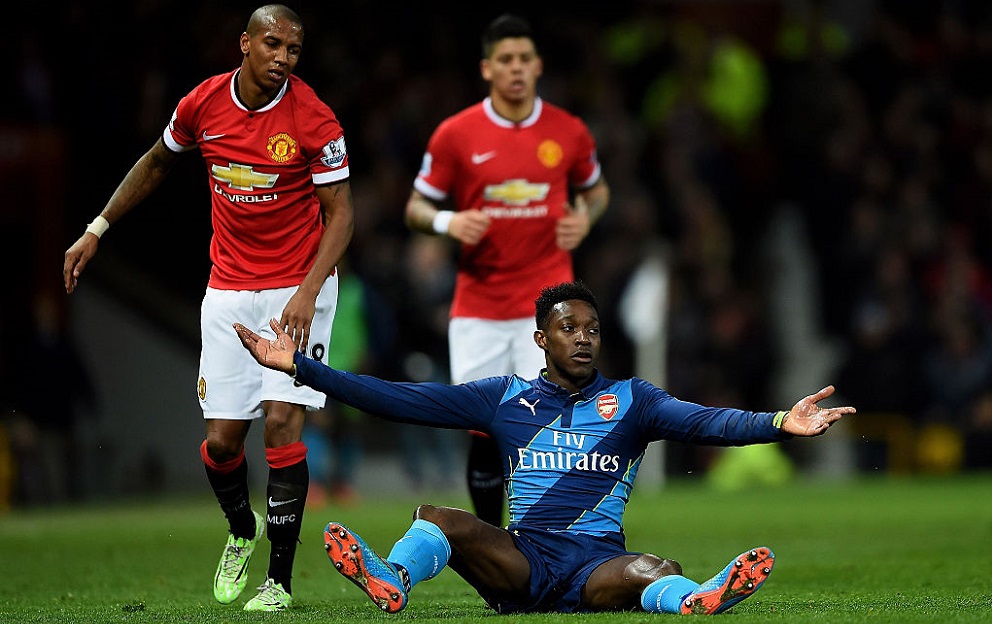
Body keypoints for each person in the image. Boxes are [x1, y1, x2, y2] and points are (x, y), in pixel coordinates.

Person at [234, 281, 853, 615]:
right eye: (569, 328)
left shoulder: (633, 400)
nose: (584, 339)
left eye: (592, 330)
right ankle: (391, 578)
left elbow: (708, 422)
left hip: (595, 568)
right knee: (439, 517)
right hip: (523, 562)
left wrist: (781, 421)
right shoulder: (503, 398)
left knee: (653, 568)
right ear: (541, 338)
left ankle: (698, 599)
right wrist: (302, 369)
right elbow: (399, 399)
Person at [63, 4, 354, 612]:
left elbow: (342, 214)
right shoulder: (202, 104)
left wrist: (307, 292)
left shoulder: (314, 118)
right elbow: (157, 160)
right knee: (222, 444)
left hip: (297, 286)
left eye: (293, 50)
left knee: (282, 421)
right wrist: (97, 228)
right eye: (272, 44)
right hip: (229, 288)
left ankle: (278, 582)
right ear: (244, 43)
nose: (283, 58)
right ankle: (242, 529)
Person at [403, 14, 611, 527]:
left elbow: (598, 191)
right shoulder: (456, 134)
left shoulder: (568, 131)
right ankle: (495, 545)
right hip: (479, 307)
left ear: (538, 66)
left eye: (524, 59)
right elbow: (416, 208)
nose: (516, 68)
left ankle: (554, 536)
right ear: (487, 68)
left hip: (548, 308)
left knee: (557, 424)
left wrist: (585, 219)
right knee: (485, 428)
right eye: (505, 60)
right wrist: (450, 221)